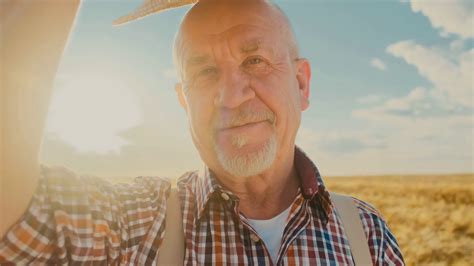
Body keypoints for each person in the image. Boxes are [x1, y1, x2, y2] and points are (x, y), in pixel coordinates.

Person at [0, 0, 405, 264]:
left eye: (255, 61)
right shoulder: (138, 223)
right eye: (205, 72)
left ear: (301, 83)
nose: (230, 97)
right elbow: (17, 217)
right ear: (183, 101)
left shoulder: (365, 232)